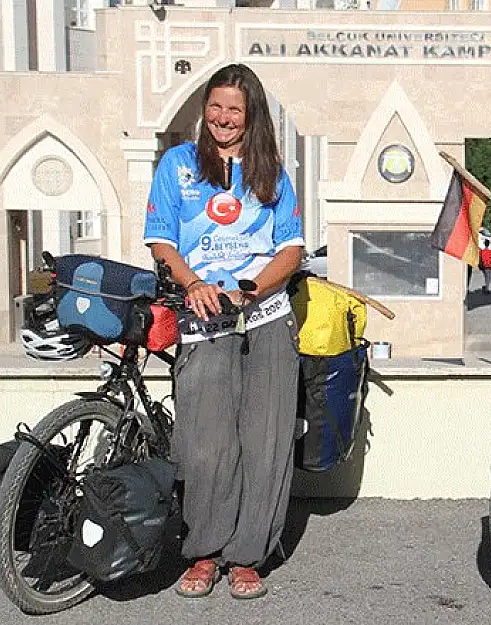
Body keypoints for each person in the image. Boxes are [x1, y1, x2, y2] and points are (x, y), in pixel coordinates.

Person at [143, 63, 304, 600]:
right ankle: (205, 551)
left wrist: (254, 287)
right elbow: (161, 238)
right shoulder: (178, 165)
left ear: (251, 114)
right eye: (215, 106)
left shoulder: (273, 172)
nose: (223, 118)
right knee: (207, 440)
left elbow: (291, 248)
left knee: (265, 440)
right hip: (203, 314)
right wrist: (192, 284)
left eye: (234, 108)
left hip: (264, 313)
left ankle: (247, 555)